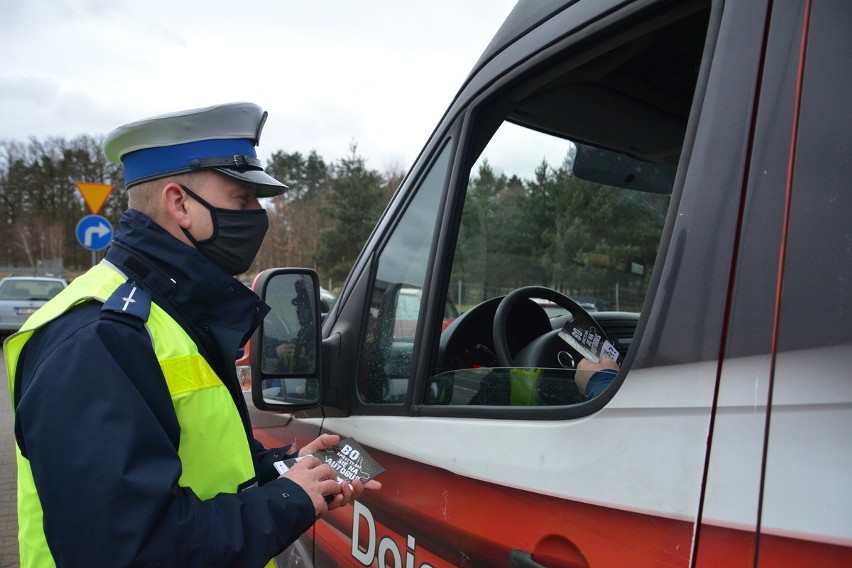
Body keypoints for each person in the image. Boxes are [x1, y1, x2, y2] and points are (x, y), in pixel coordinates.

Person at [5, 102, 380, 568]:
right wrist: (286, 503)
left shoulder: (174, 311)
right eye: (242, 199)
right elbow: (127, 550)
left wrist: (284, 471)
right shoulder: (98, 338)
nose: (257, 215)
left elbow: (193, 464)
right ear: (179, 203)